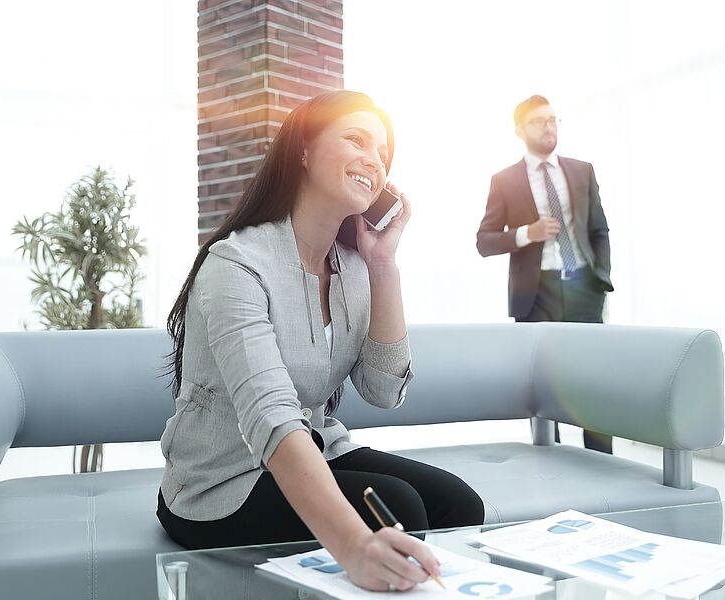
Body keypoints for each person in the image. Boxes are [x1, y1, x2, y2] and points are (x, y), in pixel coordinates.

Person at [158, 90, 485, 591]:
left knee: (459, 503)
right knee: (400, 509)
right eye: (356, 139)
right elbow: (271, 415)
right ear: (304, 150)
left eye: (383, 154)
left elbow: (382, 391)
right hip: (220, 482)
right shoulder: (236, 263)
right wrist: (354, 546)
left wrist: (383, 265)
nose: (373, 161)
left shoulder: (352, 268)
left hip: (317, 448)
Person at [476, 95, 614, 454]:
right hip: (536, 293)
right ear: (519, 130)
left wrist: (601, 278)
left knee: (595, 382)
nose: (549, 127)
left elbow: (599, 230)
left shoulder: (582, 170)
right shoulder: (504, 180)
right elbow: (484, 241)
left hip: (584, 287)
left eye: (553, 119)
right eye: (539, 121)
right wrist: (527, 233)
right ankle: (549, 458)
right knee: (544, 386)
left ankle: (602, 461)